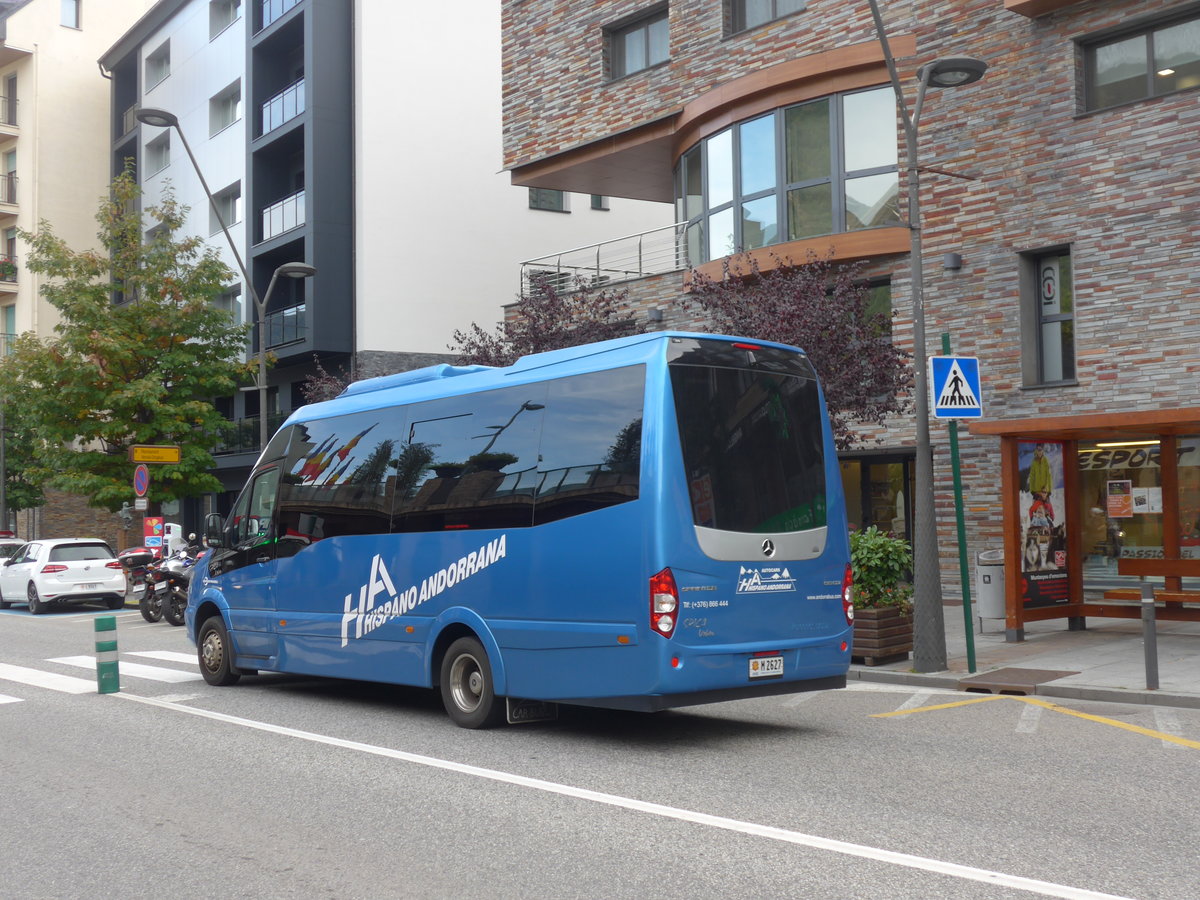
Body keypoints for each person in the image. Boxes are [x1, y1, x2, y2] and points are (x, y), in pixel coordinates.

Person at [1027, 443, 1055, 529]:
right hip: (1036, 491)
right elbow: (1032, 476)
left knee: (1046, 509)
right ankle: (1034, 525)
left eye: (1041, 449)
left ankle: (1048, 526)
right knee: (1036, 510)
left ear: (1043, 450)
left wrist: (1048, 490)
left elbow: (1049, 476)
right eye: (1038, 449)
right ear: (1036, 450)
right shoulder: (1034, 461)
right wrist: (1032, 490)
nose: (1039, 451)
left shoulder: (1045, 461)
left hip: (1044, 491)